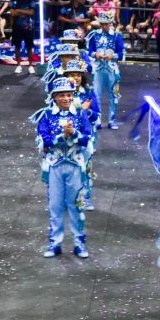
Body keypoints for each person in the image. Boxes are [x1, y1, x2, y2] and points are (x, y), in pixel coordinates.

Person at [31, 77, 92, 259]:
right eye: (62, 95)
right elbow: (43, 142)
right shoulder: (47, 115)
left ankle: (79, 243)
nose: (66, 98)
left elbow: (88, 139)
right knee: (55, 205)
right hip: (55, 166)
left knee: (76, 206)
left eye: (69, 95)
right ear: (54, 97)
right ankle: (55, 242)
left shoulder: (81, 115)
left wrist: (73, 133)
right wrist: (60, 136)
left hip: (74, 165)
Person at [63, 59, 100, 212]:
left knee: (86, 169)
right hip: (66, 138)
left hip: (84, 138)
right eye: (72, 75)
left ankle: (85, 198)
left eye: (78, 75)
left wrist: (87, 111)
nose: (76, 78)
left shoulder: (89, 93)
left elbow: (97, 117)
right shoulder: (62, 93)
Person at [87, 10, 124, 130]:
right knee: (96, 95)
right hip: (98, 68)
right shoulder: (94, 35)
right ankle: (97, 120)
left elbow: (121, 53)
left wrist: (113, 56)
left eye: (106, 24)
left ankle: (111, 120)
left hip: (112, 69)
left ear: (111, 23)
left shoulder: (117, 35)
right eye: (102, 24)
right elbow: (89, 51)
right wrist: (95, 54)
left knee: (113, 95)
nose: (104, 26)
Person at [9, 0, 36, 75]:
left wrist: (19, 10)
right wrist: (25, 11)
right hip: (17, 27)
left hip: (29, 27)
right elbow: (12, 13)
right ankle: (18, 65)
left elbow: (31, 12)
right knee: (17, 46)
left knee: (29, 47)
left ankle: (30, 65)